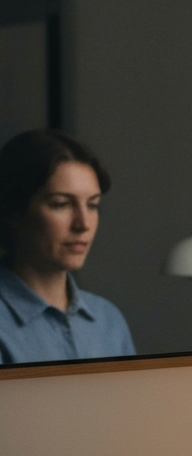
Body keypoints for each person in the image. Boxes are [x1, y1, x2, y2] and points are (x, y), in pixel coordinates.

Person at [0, 129, 135, 364]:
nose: (83, 224)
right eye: (61, 204)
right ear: (14, 211)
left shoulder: (107, 319)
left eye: (92, 206)